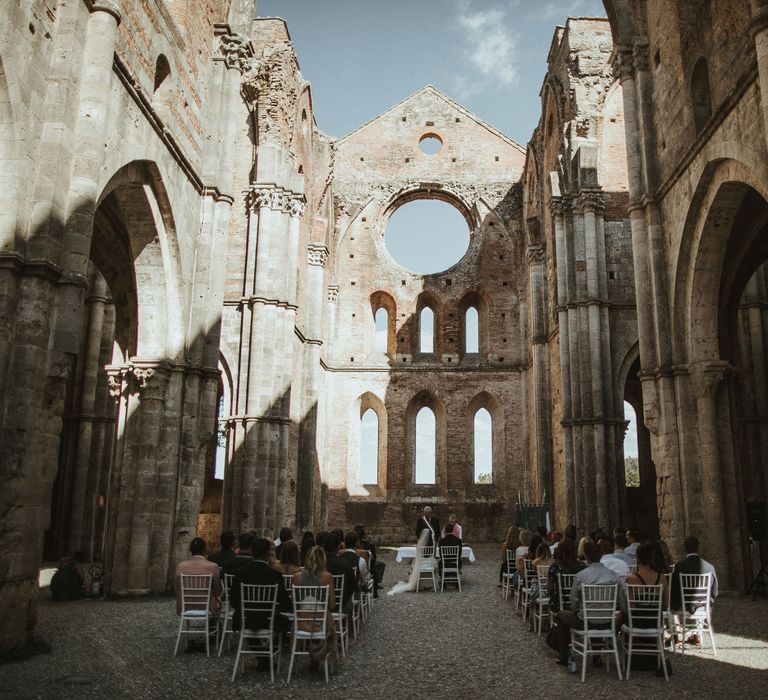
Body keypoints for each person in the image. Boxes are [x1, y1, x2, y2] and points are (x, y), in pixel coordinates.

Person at [555, 540, 618, 665]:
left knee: (561, 615)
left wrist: (579, 609)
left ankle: (564, 655)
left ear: (586, 556)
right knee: (595, 615)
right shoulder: (613, 575)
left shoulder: (581, 576)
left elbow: (573, 602)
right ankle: (596, 656)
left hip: (585, 621)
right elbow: (621, 601)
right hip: (608, 621)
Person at [230, 537, 291, 642]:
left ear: (252, 552)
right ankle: (273, 645)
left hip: (244, 618)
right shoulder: (275, 575)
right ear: (268, 554)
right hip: (267, 619)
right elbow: (284, 603)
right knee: (285, 621)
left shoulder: (241, 573)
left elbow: (233, 602)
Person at [293, 545, 339, 673]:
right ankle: (320, 656)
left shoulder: (296, 577)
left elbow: (295, 604)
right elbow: (332, 605)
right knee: (325, 617)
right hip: (321, 622)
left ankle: (312, 658)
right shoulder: (327, 577)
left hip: (302, 622)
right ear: (323, 560)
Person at [175, 537, 222, 652]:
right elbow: (218, 591)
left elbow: (176, 589)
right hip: (207, 607)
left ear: (191, 550)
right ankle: (212, 633)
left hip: (185, 607)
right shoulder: (212, 566)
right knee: (218, 603)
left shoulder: (180, 567)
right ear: (204, 550)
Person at [669, 535, 719, 613]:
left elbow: (674, 588)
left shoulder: (679, 566)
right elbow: (715, 592)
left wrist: (675, 605)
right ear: (698, 548)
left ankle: (677, 622)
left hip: (684, 605)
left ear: (685, 549)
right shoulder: (709, 567)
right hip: (702, 604)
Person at [546, 537, 584, 613]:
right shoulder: (581, 566)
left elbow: (549, 589)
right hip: (579, 603)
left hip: (560, 603)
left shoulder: (555, 567)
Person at [388, 528, 431, 594]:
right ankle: (429, 583)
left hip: (420, 562)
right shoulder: (431, 545)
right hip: (427, 563)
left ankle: (419, 583)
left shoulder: (420, 543)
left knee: (413, 563)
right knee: (434, 563)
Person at [323, 533, 358, 613]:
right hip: (341, 604)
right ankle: (350, 624)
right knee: (350, 605)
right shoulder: (345, 564)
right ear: (338, 547)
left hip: (321, 603)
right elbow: (352, 586)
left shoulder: (317, 565)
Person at [355, 524, 385, 598]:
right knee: (375, 569)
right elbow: (374, 558)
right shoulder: (369, 545)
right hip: (367, 568)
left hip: (354, 566)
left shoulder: (350, 543)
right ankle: (375, 591)